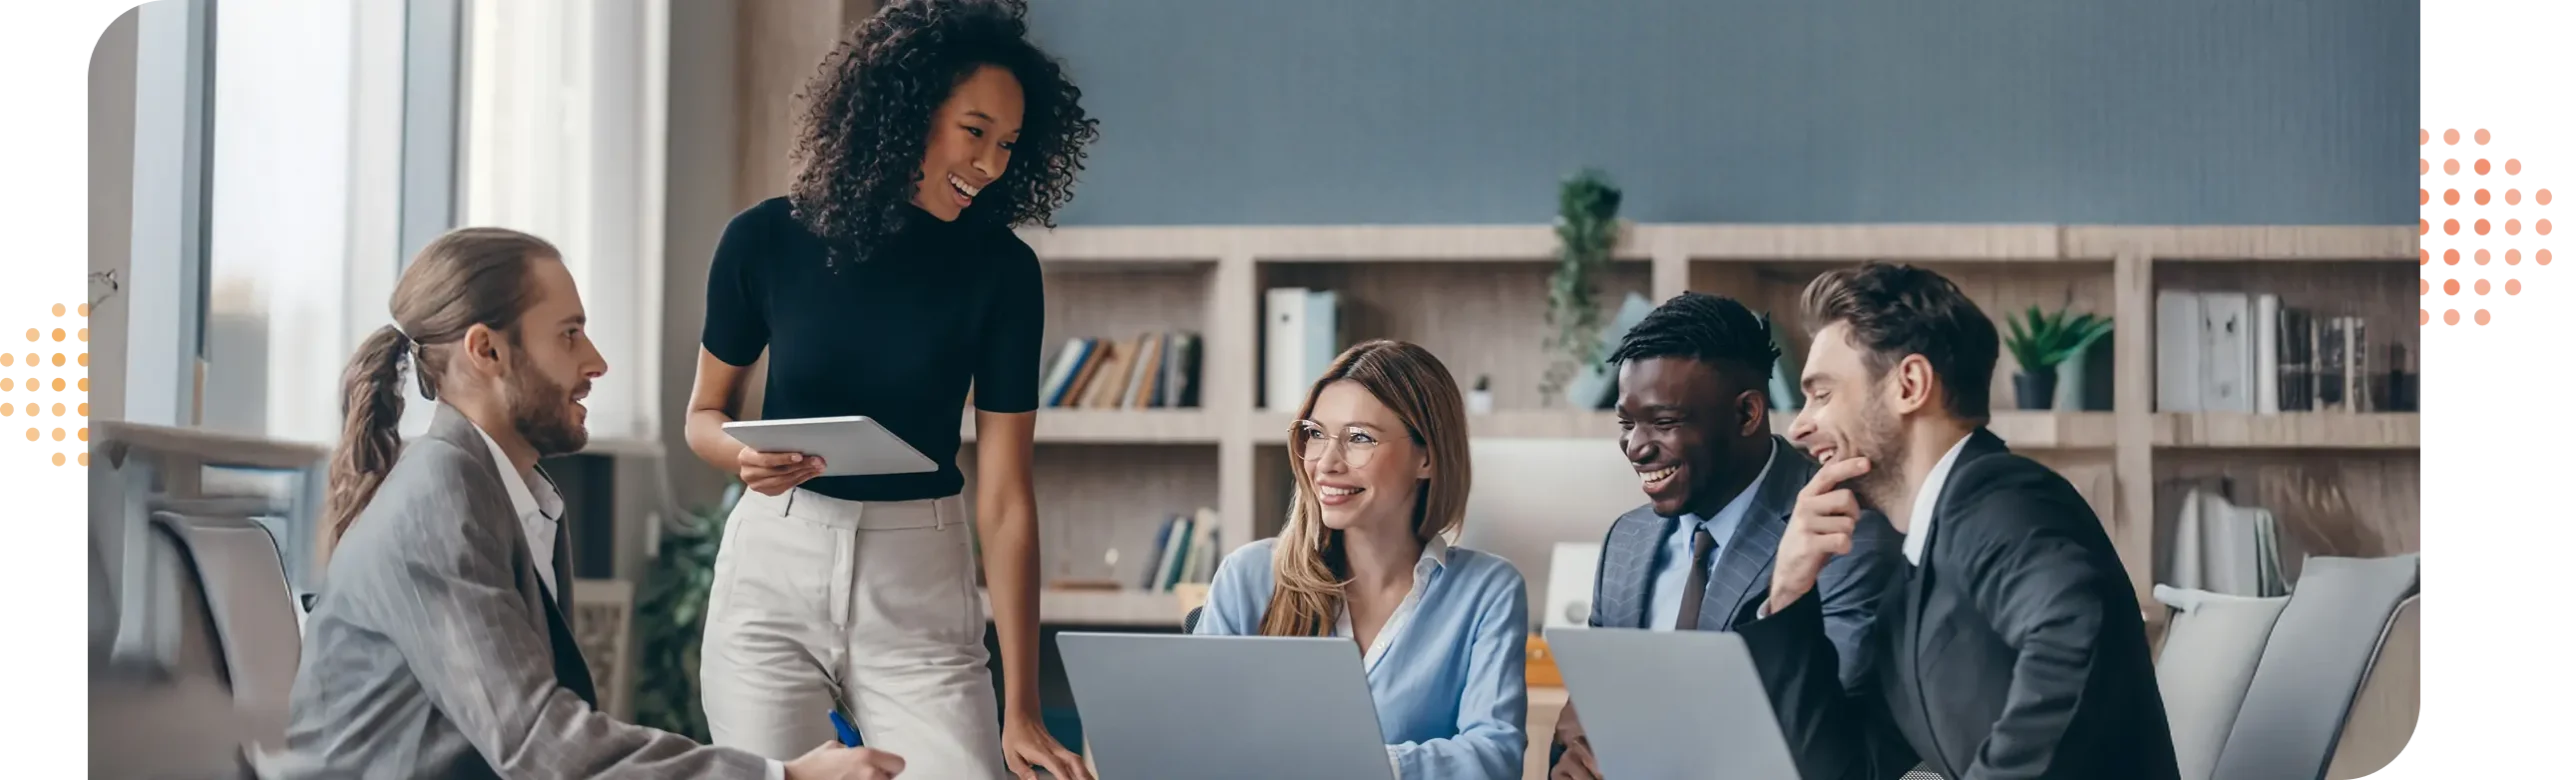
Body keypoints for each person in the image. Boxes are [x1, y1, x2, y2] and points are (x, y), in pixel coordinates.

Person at [269, 227, 905, 779]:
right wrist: (781, 777)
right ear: (485, 350)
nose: (596, 362)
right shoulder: (439, 501)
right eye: (569, 335)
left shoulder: (506, 495)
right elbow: (538, 744)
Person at [680, 1, 1100, 778]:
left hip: (920, 579)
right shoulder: (763, 240)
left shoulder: (1003, 273)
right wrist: (740, 461)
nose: (992, 163)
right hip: (774, 564)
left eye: (1009, 143)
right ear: (905, 111)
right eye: (975, 132)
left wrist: (1023, 706)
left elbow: (1006, 497)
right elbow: (705, 417)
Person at [1745, 262, 2177, 780]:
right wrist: (1789, 592)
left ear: (1909, 385)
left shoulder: (1996, 497)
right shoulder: (1912, 579)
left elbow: (2074, 629)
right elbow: (1846, 770)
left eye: (1822, 394)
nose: (1798, 427)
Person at [1547, 293, 1903, 780]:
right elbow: (1583, 718)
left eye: (1664, 422)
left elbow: (1831, 746)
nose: (1635, 447)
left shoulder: (1843, 532)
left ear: (1746, 415)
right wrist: (1572, 764)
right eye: (1627, 424)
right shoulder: (1627, 539)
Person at [1193, 340, 1531, 780]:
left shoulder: (1488, 590)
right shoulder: (1249, 577)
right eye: (1315, 434)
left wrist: (1352, 763)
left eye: (1359, 438)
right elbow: (1195, 740)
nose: (1326, 463)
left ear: (1426, 456)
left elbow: (1494, 757)